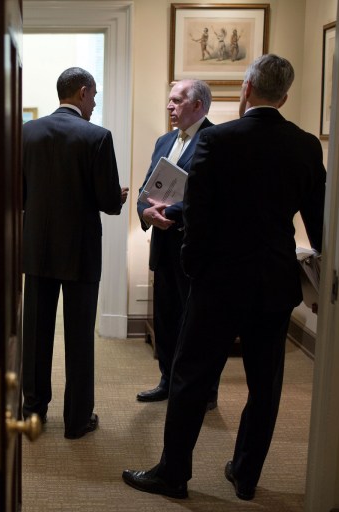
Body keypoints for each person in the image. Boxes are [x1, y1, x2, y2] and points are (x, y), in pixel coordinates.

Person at [122, 54, 325, 500]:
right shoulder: (308, 146)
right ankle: (246, 476)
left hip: (218, 282)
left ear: (247, 90)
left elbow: (198, 214)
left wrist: (195, 269)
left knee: (190, 376)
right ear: (285, 96)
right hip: (274, 282)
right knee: (265, 383)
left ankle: (173, 474)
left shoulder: (221, 140)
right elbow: (320, 223)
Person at [21, 67, 129, 440]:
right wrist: (118, 196)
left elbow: (18, 195)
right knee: (80, 337)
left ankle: (33, 413)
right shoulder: (97, 136)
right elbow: (108, 202)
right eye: (94, 95)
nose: (95, 103)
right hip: (80, 251)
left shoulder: (26, 132)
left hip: (36, 248)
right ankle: (77, 420)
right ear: (82, 93)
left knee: (35, 333)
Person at [135, 79, 219, 412]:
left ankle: (205, 390)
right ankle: (167, 382)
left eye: (177, 101)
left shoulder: (216, 140)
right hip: (164, 245)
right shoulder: (163, 141)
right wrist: (146, 212)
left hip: (197, 248)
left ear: (198, 105)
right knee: (167, 318)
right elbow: (146, 190)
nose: (170, 106)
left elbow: (214, 198)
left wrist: (168, 211)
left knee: (199, 323)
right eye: (168, 100)